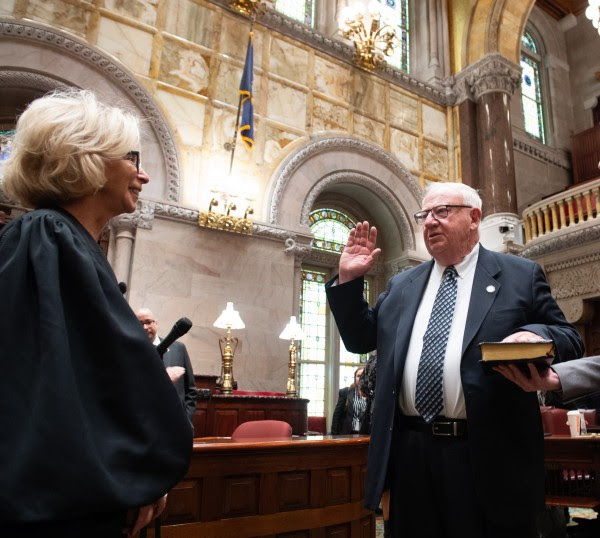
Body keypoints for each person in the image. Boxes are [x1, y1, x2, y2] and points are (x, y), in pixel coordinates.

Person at [325, 182, 584, 538]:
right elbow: (360, 340)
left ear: (474, 217)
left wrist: (538, 335)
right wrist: (350, 281)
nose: (429, 222)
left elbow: (570, 337)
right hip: (411, 453)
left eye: (441, 212)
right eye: (424, 215)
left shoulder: (519, 275)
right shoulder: (403, 285)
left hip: (487, 453)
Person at [0, 89, 192, 537]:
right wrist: (137, 471)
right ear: (85, 157)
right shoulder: (47, 235)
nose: (143, 175)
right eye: (131, 158)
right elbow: (55, 385)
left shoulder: (62, 239)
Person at [136, 307, 197, 425]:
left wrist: (187, 419)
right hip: (146, 423)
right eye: (140, 324)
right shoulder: (132, 351)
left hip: (177, 422)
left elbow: (191, 389)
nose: (145, 327)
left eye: (148, 322)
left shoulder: (178, 348)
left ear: (156, 323)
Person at [331, 366, 367, 434]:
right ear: (355, 378)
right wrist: (334, 434)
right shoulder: (345, 392)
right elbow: (337, 415)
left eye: (363, 375)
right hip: (347, 433)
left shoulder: (371, 394)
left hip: (364, 433)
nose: (361, 378)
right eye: (358, 376)